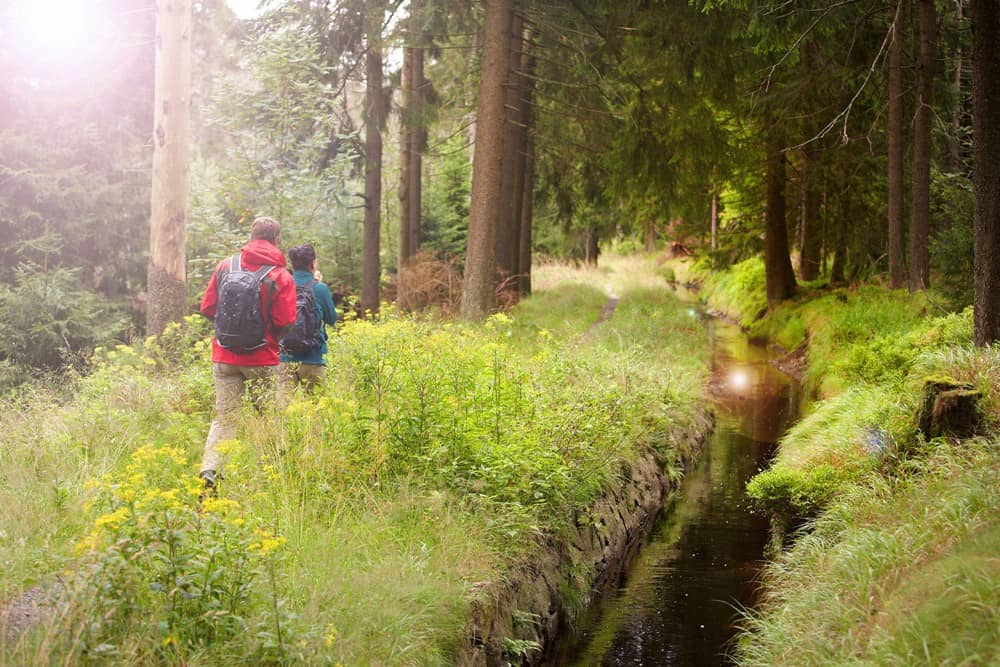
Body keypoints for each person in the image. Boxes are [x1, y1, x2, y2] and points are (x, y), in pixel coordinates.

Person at [198, 217, 297, 493]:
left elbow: (207, 307)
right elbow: (286, 321)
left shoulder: (224, 267)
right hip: (262, 359)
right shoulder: (280, 276)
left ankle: (210, 473)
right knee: (268, 415)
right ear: (277, 240)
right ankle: (271, 476)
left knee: (224, 419)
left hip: (224, 357)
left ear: (251, 236)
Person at [280, 244, 338, 393]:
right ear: (313, 263)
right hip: (313, 358)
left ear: (292, 264)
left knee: (282, 412)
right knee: (318, 409)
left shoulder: (283, 286)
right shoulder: (319, 288)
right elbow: (331, 319)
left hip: (285, 358)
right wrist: (317, 282)